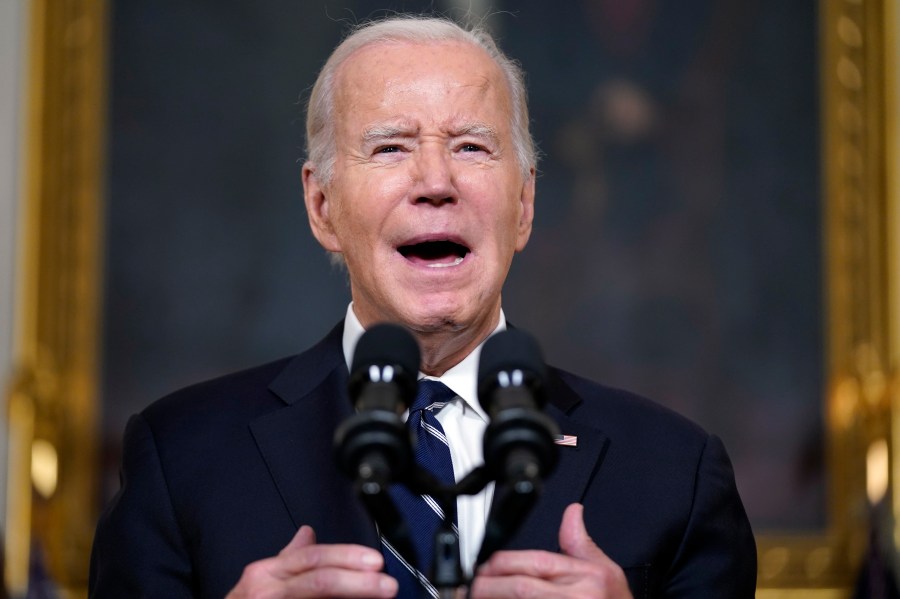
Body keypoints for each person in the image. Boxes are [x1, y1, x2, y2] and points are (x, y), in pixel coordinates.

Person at [89, 15, 756, 598]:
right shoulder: (183, 459)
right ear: (322, 206)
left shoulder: (677, 471)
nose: (436, 183)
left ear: (523, 205)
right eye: (391, 147)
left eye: (471, 146)